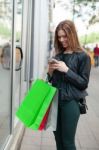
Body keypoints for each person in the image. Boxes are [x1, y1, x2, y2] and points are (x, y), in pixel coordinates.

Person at [47, 20, 91, 150]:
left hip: (70, 103)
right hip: (54, 102)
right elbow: (51, 81)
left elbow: (83, 83)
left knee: (67, 142)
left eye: (64, 36)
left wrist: (67, 70)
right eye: (59, 36)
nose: (61, 40)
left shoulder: (83, 56)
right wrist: (50, 73)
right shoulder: (59, 55)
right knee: (58, 140)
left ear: (72, 35)